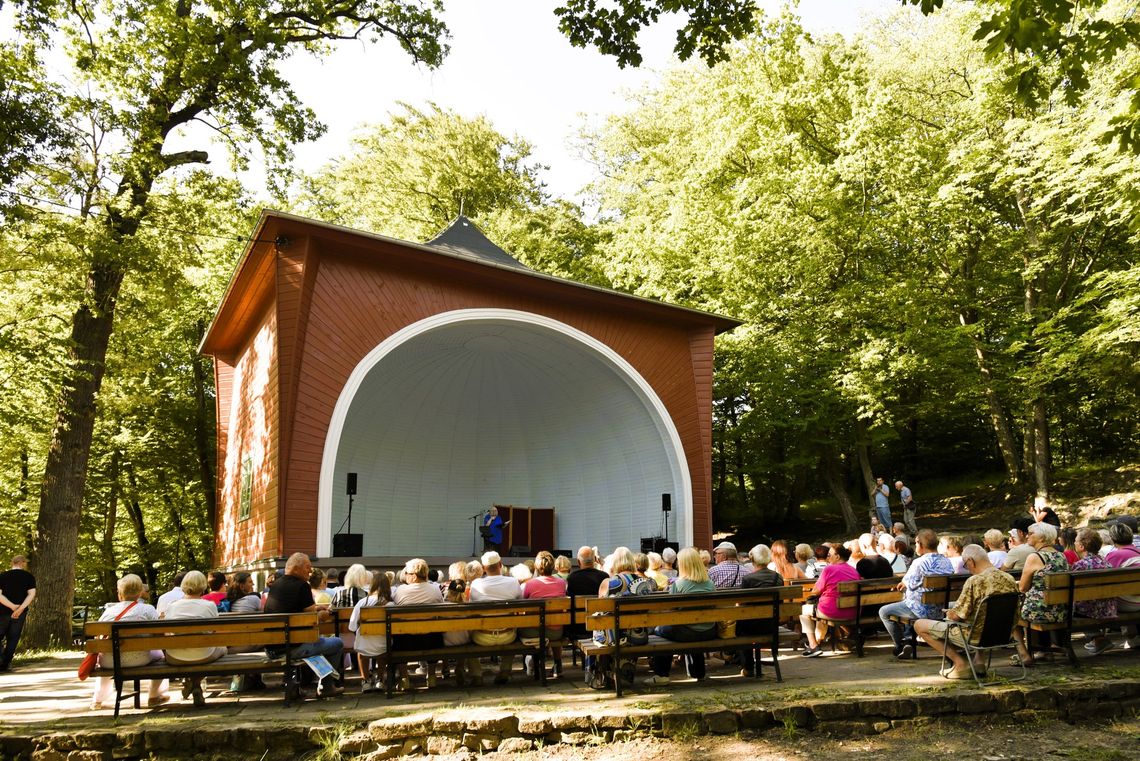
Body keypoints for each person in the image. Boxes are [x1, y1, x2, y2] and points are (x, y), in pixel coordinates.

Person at [913, 545, 1017, 679]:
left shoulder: (975, 581)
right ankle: (979, 662)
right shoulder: (1009, 578)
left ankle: (960, 663)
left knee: (919, 625)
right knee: (982, 617)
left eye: (966, 565)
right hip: (1003, 634)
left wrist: (949, 612)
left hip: (974, 636)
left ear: (970, 561)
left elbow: (957, 616)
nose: (967, 569)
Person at [263, 553, 344, 698]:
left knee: (316, 643)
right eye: (307, 567)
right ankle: (327, 686)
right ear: (296, 569)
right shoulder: (302, 586)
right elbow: (312, 619)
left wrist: (317, 608)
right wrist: (324, 616)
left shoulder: (276, 585)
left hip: (272, 647)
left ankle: (296, 686)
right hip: (293, 648)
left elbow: (303, 609)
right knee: (337, 643)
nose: (310, 571)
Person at [90, 574, 168, 709]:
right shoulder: (148, 609)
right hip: (140, 658)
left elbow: (98, 637)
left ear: (120, 593)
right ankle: (154, 695)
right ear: (139, 593)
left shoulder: (109, 612)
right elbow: (159, 635)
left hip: (110, 662)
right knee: (161, 655)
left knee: (108, 653)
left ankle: (97, 700)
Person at [643, 547, 717, 686]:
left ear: (683, 564)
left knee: (659, 631)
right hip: (709, 631)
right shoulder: (710, 584)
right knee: (692, 626)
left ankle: (662, 674)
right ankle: (698, 673)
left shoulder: (679, 584)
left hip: (687, 633)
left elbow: (670, 612)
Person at [878, 528, 954, 659]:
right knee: (908, 601)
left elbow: (907, 585)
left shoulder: (919, 562)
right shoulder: (946, 561)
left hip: (921, 610)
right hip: (942, 608)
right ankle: (907, 640)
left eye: (916, 543)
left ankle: (901, 644)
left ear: (921, 545)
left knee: (884, 611)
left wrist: (904, 585)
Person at [161, 570, 227, 706]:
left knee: (190, 651)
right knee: (222, 649)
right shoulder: (209, 606)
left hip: (175, 657)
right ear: (203, 586)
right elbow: (215, 631)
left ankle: (192, 683)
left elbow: (167, 632)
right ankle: (195, 683)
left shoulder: (172, 607)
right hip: (204, 655)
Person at [1012, 522, 1069, 666]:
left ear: (1042, 538)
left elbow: (1023, 587)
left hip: (1040, 611)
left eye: (1031, 533)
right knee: (1036, 601)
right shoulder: (1061, 555)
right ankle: (1045, 652)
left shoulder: (1035, 557)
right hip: (1060, 610)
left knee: (1009, 614)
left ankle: (1024, 656)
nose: (1027, 536)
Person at [391, 558, 444, 690]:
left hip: (406, 641)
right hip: (431, 640)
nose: (405, 576)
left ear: (414, 576)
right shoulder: (435, 590)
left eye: (407, 574)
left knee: (398, 634)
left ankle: (404, 678)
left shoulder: (400, 591)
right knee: (435, 630)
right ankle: (431, 676)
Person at [798, 544, 860, 657]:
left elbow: (816, 591)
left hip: (832, 611)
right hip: (853, 611)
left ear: (837, 556)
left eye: (829, 555)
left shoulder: (829, 569)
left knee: (804, 611)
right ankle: (818, 641)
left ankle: (813, 645)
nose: (827, 558)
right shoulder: (853, 570)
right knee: (821, 608)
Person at [469, 550, 522, 685]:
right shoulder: (513, 582)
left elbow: (471, 610)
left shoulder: (475, 584)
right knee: (515, 627)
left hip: (482, 637)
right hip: (507, 635)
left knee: (466, 633)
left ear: (484, 568)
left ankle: (476, 674)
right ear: (500, 564)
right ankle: (505, 670)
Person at [521, 551, 568, 678]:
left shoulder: (530, 584)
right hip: (556, 631)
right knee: (554, 622)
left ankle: (535, 663)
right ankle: (558, 664)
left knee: (527, 625)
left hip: (533, 631)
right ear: (553, 567)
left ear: (537, 567)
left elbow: (523, 603)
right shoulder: (562, 584)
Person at [739, 544, 784, 676]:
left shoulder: (748, 579)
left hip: (751, 626)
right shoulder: (778, 577)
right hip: (772, 625)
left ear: (752, 560)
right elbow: (780, 602)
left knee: (739, 630)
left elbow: (743, 605)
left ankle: (748, 667)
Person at [1071, 528, 1118, 655]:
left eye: (1075, 541)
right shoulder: (1106, 563)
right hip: (1109, 608)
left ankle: (1098, 638)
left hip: (1090, 610)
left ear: (1081, 546)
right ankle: (1098, 639)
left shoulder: (1080, 565)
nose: (1074, 543)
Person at [349, 571, 393, 693]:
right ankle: (380, 679)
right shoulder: (390, 604)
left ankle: (366, 680)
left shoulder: (362, 603)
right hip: (384, 646)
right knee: (382, 647)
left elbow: (352, 627)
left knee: (362, 649)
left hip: (364, 647)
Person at [1104, 521, 1140, 650]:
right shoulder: (1138, 553)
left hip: (1126, 604)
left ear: (1113, 539)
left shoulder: (1114, 556)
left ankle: (1097, 638)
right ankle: (1132, 637)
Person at [0, 555, 36, 672]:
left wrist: (12, 606)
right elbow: (31, 594)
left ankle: (1, 660)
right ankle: (6, 664)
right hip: (20, 613)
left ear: (13, 563)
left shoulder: (3, 576)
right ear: (23, 563)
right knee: (13, 638)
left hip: (3, 611)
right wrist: (20, 609)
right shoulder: (29, 577)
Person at [566, 546, 609, 640]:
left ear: (578, 562)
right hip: (600, 625)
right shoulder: (604, 577)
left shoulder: (571, 578)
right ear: (594, 560)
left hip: (578, 628)